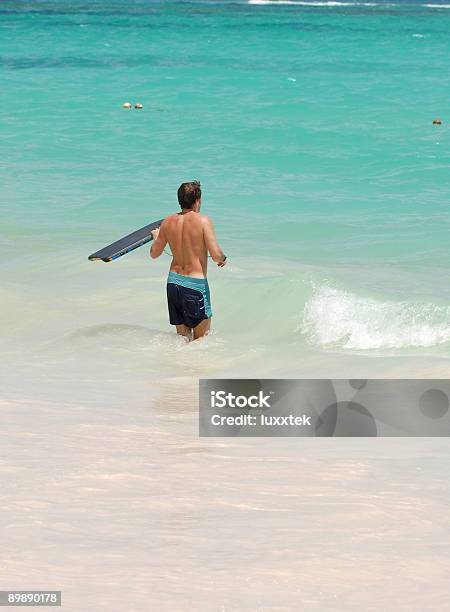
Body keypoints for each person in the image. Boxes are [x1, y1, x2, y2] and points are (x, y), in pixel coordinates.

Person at [150, 181, 226, 341]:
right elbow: (216, 254)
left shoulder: (167, 222)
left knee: (182, 340)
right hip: (195, 286)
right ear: (197, 201)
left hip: (173, 284)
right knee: (200, 341)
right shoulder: (203, 221)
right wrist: (223, 259)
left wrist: (157, 238)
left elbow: (154, 253)